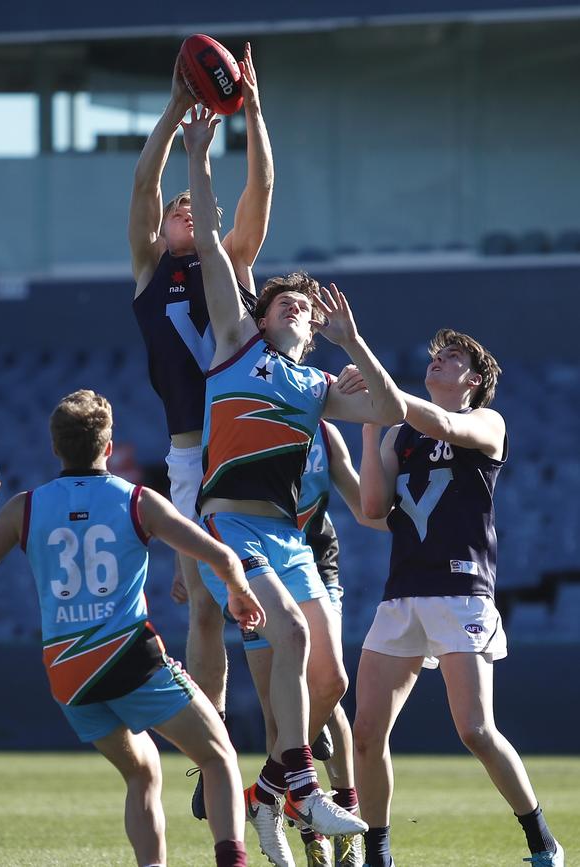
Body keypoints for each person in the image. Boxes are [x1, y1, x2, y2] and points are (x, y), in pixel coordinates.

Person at [182, 105, 406, 867]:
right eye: (285, 300)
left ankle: (271, 793)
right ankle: (302, 784)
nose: (295, 306)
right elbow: (212, 240)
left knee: (330, 676)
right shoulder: (238, 342)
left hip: (286, 533)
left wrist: (355, 342)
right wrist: (199, 155)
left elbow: (386, 407)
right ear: (262, 313)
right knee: (293, 633)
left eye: (304, 306)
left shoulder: (315, 384)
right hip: (229, 527)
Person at [0, 389, 266, 867]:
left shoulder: (24, 508)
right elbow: (219, 555)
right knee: (218, 757)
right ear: (109, 447)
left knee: (142, 772)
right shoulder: (137, 500)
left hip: (67, 671)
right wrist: (240, 593)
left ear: (55, 448)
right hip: (129, 657)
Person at [353, 330, 564, 867]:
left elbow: (445, 425)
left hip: (462, 593)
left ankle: (541, 841)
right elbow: (374, 507)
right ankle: (377, 851)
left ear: (473, 380)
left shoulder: (487, 423)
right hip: (402, 595)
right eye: (436, 356)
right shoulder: (398, 435)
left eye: (453, 359)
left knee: (474, 730)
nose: (439, 362)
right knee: (366, 732)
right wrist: (373, 425)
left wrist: (362, 356)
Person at [128, 40, 274, 814]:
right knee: (205, 604)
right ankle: (214, 746)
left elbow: (257, 194)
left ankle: (288, 749)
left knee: (272, 600)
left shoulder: (232, 262)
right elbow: (148, 184)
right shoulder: (151, 270)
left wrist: (252, 118)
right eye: (180, 211)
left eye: (194, 205)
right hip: (191, 454)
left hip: (248, 445)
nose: (185, 210)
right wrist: (176, 110)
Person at [247, 418, 388, 867]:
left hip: (315, 564)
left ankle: (340, 807)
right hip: (255, 562)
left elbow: (364, 506)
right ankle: (313, 838)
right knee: (277, 709)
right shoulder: (243, 417)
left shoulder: (323, 432)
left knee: (325, 690)